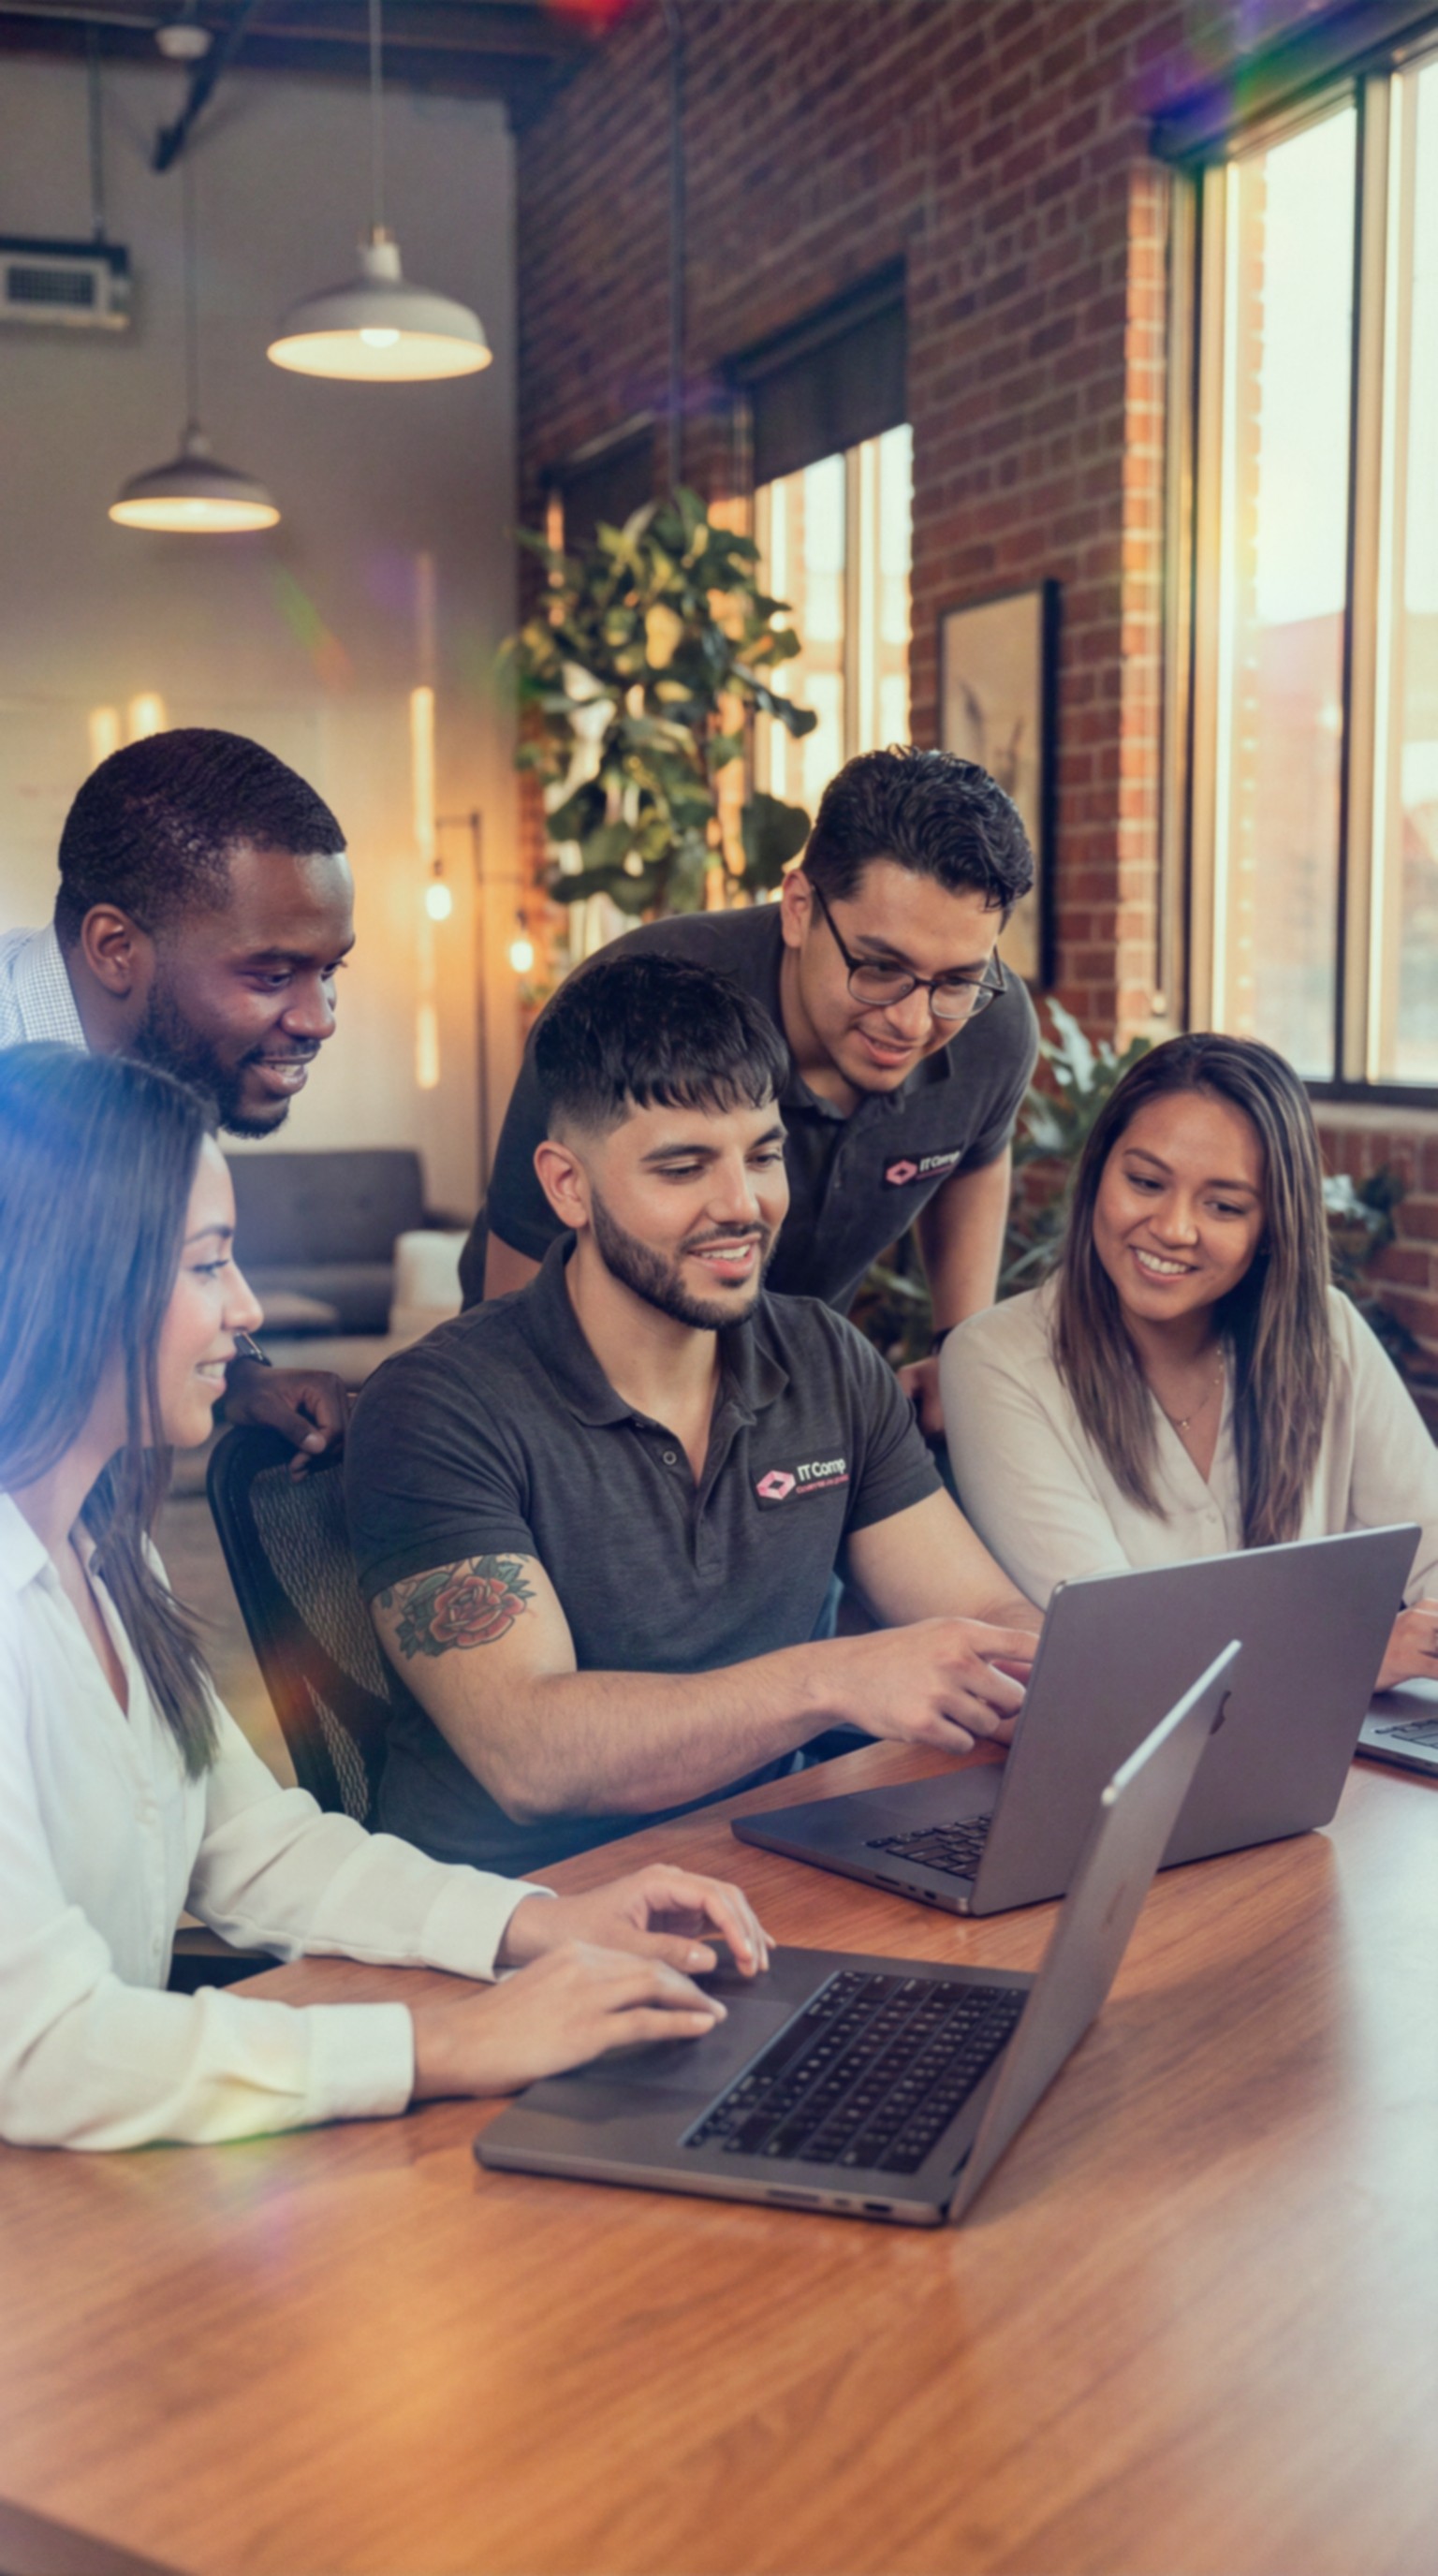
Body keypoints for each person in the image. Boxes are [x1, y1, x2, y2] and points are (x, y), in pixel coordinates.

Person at [0, 1043, 770, 2152]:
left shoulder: (108, 1550)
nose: (247, 1308)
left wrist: (532, 1924)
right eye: (209, 1265)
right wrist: (439, 2046)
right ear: (69, 1279)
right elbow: (36, 2048)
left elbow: (252, 1850)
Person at [345, 953, 1041, 1877]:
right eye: (683, 1167)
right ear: (568, 1187)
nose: (741, 1206)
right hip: (515, 1933)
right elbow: (530, 1751)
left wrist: (1067, 1673)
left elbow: (985, 1614)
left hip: (769, 1878)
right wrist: (834, 1680)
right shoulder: (438, 1406)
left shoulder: (827, 1362)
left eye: (762, 1155)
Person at [470, 746, 1040, 1434]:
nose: (913, 1021)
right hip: (587, 1388)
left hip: (783, 1396)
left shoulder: (991, 1025)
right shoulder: (628, 1003)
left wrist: (959, 1345)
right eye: (881, 967)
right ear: (798, 907)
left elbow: (973, 1155)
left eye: (955, 981)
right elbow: (510, 1306)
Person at [943, 1032, 1438, 1690]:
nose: (1174, 1228)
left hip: (1346, 1754)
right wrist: (1349, 1659)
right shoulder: (994, 1361)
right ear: (1097, 1176)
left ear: (1272, 1225)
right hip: (1123, 1775)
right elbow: (1109, 1646)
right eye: (1146, 1182)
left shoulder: (1328, 1332)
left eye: (1224, 1206)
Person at [0, 728, 358, 1468]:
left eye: (329, 972)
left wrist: (236, 1377)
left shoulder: (165, 1058)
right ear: (114, 949)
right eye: (270, 975)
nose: (319, 1019)